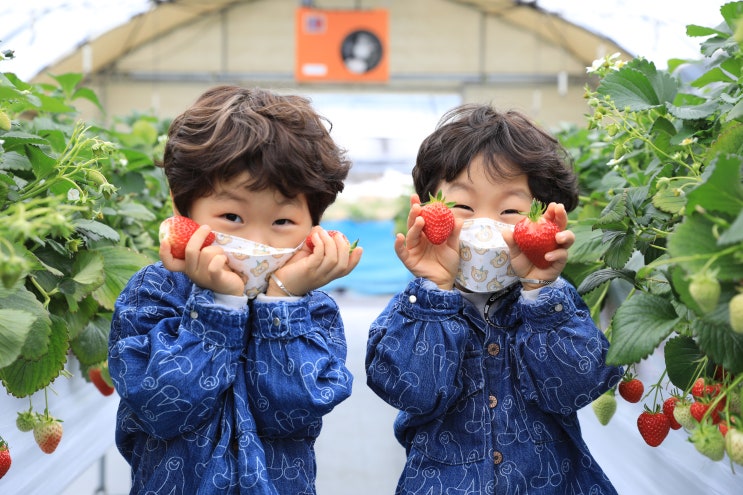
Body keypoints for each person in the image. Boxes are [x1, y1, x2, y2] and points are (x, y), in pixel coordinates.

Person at [109, 85, 362, 495]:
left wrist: (282, 301)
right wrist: (219, 306)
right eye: (231, 216)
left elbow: (293, 411)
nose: (257, 241)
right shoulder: (155, 291)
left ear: (315, 225)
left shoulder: (313, 310)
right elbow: (160, 406)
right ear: (183, 208)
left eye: (282, 222)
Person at [365, 104, 623, 494]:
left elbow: (578, 387)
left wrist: (539, 290)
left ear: (543, 218)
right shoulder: (416, 310)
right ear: (428, 209)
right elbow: (410, 391)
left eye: (510, 210)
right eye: (463, 207)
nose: (484, 225)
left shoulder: (552, 303)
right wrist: (435, 289)